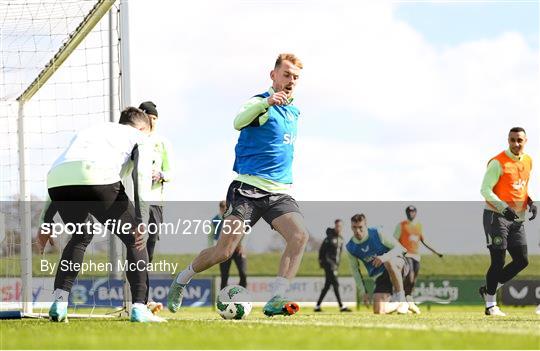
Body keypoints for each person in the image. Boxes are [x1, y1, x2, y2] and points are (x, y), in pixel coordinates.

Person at [167, 53, 309, 317]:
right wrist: (266, 102)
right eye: (287, 74)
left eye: (296, 77)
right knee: (224, 251)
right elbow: (238, 121)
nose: (291, 81)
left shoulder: (294, 111)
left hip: (279, 192)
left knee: (299, 236)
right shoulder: (259, 103)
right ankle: (181, 280)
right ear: (274, 75)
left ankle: (276, 297)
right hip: (247, 190)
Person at [36, 107, 165, 323]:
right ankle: (140, 308)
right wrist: (141, 219)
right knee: (135, 238)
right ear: (143, 128)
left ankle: (59, 303)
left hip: (57, 181)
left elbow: (65, 169)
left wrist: (45, 221)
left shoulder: (92, 130)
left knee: (81, 235)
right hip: (95, 176)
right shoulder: (139, 138)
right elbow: (140, 175)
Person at [479, 127, 536, 316]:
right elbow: (485, 190)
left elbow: (522, 187)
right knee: (498, 260)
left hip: (517, 219)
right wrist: (504, 208)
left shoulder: (528, 161)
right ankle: (490, 305)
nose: (516, 144)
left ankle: (488, 287)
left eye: (519, 140)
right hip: (496, 217)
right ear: (508, 140)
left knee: (522, 260)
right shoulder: (497, 163)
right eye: (512, 140)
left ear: (525, 140)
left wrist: (530, 202)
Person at [138, 101, 174, 315]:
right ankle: (140, 299)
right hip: (134, 201)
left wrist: (161, 175)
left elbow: (172, 171)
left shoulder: (163, 143)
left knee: (148, 252)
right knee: (135, 249)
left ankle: (143, 298)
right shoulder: (133, 141)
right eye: (145, 118)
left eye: (152, 118)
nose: (149, 122)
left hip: (155, 204)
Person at [347, 214, 412, 314]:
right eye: (354, 227)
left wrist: (384, 257)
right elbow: (355, 271)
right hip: (381, 276)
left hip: (398, 266)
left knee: (388, 262)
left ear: (366, 226)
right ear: (351, 227)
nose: (357, 231)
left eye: (360, 227)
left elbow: (401, 249)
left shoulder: (378, 233)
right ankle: (407, 304)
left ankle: (401, 299)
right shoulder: (350, 247)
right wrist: (363, 292)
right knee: (378, 311)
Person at [393, 205, 443, 314]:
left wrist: (436, 252)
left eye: (413, 212)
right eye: (409, 212)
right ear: (406, 213)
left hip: (417, 256)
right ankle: (402, 299)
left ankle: (408, 300)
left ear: (415, 213)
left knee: (413, 280)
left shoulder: (419, 226)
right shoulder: (401, 225)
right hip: (406, 256)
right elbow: (394, 240)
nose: (411, 213)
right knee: (409, 277)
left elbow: (424, 241)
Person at [314, 219, 351, 312]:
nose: (338, 228)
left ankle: (317, 306)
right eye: (337, 226)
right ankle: (341, 306)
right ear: (335, 226)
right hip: (329, 265)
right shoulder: (329, 238)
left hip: (335, 266)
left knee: (327, 286)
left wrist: (337, 265)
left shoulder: (341, 239)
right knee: (336, 284)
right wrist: (322, 263)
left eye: (340, 226)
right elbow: (321, 252)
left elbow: (340, 253)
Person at [211, 200, 248, 289]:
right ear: (220, 208)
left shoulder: (236, 217)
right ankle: (223, 298)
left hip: (237, 249)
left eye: (226, 208)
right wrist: (214, 249)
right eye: (223, 208)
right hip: (224, 250)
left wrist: (242, 245)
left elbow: (244, 232)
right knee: (224, 275)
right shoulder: (215, 220)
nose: (225, 210)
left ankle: (242, 293)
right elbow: (211, 235)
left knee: (243, 273)